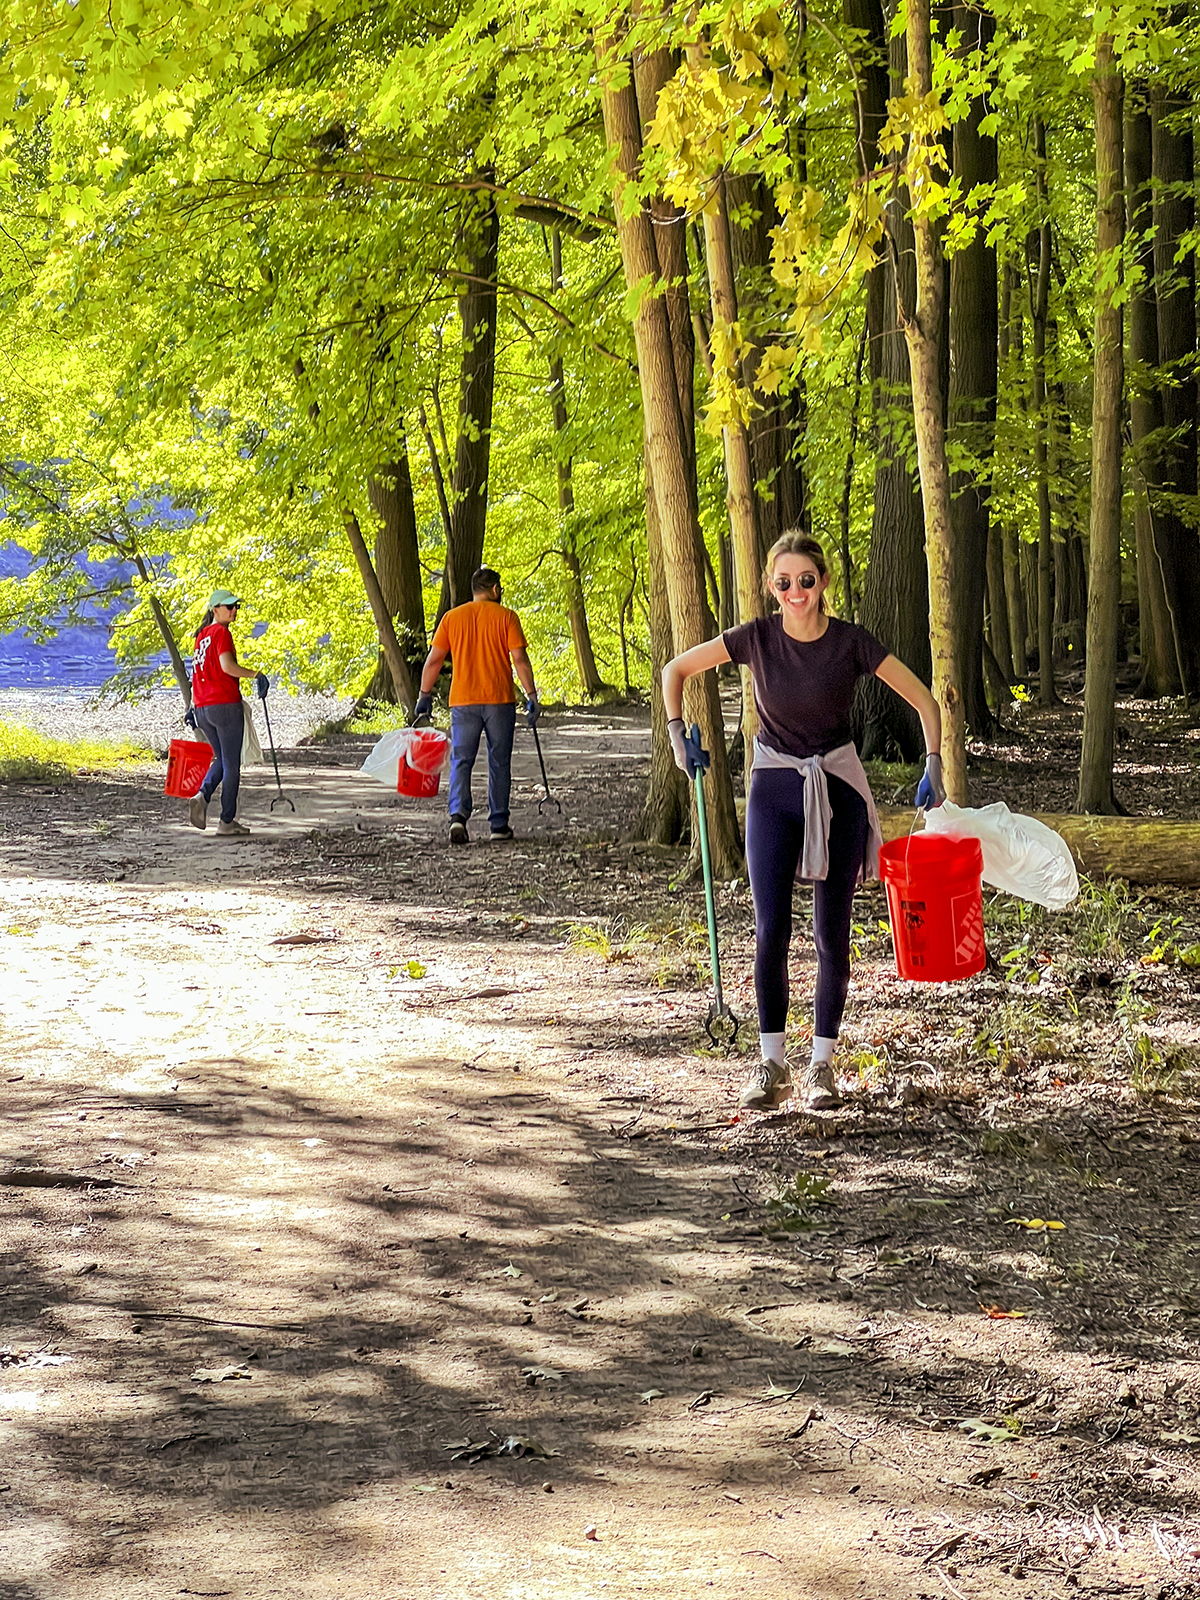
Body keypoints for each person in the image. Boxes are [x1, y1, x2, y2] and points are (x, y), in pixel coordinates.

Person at [662, 532, 944, 1113]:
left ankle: (821, 1068)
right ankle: (770, 1064)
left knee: (830, 934)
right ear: (770, 586)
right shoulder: (756, 638)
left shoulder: (851, 644)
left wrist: (934, 763)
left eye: (806, 581)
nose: (796, 592)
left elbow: (926, 702)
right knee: (771, 931)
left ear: (824, 584)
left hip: (837, 788)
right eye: (783, 582)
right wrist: (676, 736)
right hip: (772, 789)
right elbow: (677, 669)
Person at [414, 567, 539, 845]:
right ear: (495, 590)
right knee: (498, 761)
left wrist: (424, 695)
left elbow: (434, 660)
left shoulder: (452, 618)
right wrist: (531, 695)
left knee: (462, 760)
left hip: (463, 701)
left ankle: (458, 816)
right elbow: (519, 659)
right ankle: (498, 824)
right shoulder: (506, 617)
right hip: (499, 700)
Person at [188, 588, 268, 839]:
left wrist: (192, 707)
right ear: (215, 610)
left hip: (203, 709)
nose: (234, 611)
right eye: (229, 606)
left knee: (221, 759)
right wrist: (256, 674)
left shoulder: (201, 637)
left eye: (236, 607)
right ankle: (226, 821)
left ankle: (203, 795)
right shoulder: (221, 633)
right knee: (232, 764)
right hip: (224, 705)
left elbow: (197, 674)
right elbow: (227, 667)